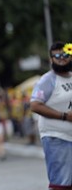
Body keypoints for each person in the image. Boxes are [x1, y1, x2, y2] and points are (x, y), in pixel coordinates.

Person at [30, 41, 72, 190]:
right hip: (57, 137)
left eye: (65, 55)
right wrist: (64, 116)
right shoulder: (48, 80)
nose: (62, 58)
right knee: (61, 183)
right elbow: (35, 105)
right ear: (51, 60)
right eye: (57, 56)